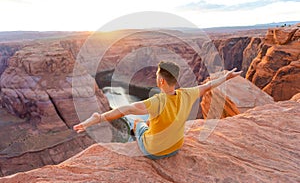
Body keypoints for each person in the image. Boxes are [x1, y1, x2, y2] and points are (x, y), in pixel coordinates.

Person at [73, 61, 242, 159]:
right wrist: (226, 77)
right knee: (150, 121)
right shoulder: (187, 94)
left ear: (161, 81)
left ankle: (133, 145)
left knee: (138, 123)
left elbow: (126, 109)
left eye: (156, 77)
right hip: (176, 147)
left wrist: (99, 117)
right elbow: (207, 86)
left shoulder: (156, 101)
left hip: (154, 152)